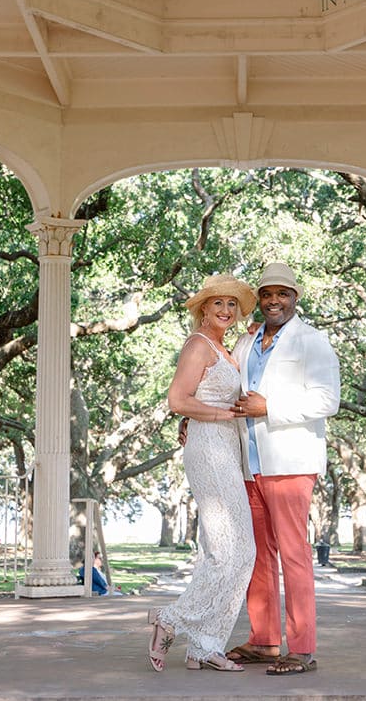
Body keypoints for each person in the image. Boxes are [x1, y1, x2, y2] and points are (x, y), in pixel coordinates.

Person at [225, 262, 340, 676]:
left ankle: (302, 649)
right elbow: (228, 387)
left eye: (283, 294)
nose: (274, 301)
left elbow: (328, 400)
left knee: (293, 555)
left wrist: (269, 407)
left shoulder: (313, 341)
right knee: (258, 554)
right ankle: (264, 641)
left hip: (290, 463)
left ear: (295, 298)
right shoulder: (248, 340)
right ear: (260, 299)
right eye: (267, 294)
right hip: (249, 463)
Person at [147, 274, 258, 673]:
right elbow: (178, 398)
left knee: (242, 551)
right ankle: (170, 620)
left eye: (233, 305)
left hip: (224, 444)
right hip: (210, 446)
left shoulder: (225, 349)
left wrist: (213, 416)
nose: (226, 311)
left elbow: (202, 395)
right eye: (218, 305)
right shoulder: (198, 344)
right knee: (225, 550)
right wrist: (218, 415)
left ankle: (205, 645)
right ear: (203, 309)